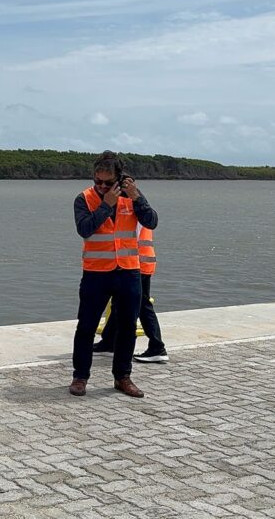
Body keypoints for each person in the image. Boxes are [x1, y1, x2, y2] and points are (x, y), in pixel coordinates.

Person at [69, 151, 158, 398]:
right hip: (96, 273)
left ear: (119, 179)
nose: (101, 186)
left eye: (108, 183)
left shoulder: (132, 197)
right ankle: (80, 377)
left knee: (127, 327)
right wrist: (106, 204)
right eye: (97, 181)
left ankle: (123, 377)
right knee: (86, 327)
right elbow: (84, 229)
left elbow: (151, 221)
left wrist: (137, 197)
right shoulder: (84, 199)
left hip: (128, 271)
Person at [92, 226, 169, 362]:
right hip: (138, 262)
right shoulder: (138, 213)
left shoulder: (133, 214)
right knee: (119, 300)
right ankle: (109, 342)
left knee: (142, 304)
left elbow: (128, 240)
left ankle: (157, 347)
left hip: (135, 264)